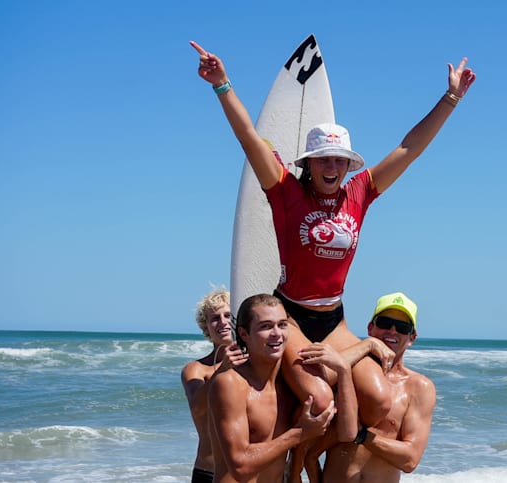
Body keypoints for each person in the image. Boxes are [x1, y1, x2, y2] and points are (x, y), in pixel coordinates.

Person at [190, 40, 475, 427]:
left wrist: (451, 98)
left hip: (334, 320)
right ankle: (301, 464)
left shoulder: (360, 192)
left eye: (340, 160)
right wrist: (222, 85)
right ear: (309, 164)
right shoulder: (285, 190)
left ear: (347, 165)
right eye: (324, 159)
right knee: (320, 398)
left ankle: (324, 461)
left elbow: (409, 149)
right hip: (290, 316)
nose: (333, 166)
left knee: (378, 399)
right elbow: (249, 140)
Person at [207, 293, 359, 482]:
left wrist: (344, 369)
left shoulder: (289, 387)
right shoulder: (230, 384)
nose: (277, 333)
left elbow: (348, 433)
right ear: (244, 334)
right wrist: (300, 433)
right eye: (266, 326)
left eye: (282, 324)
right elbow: (240, 466)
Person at [304, 292, 436, 483]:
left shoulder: (418, 387)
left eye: (402, 327)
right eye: (384, 322)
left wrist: (361, 435)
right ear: (370, 328)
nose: (392, 331)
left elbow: (410, 459)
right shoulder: (345, 372)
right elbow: (308, 382)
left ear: (412, 337)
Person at [180, 288, 248, 483]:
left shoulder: (253, 365)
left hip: (247, 470)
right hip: (208, 471)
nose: (223, 322)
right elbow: (198, 408)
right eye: (215, 318)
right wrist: (222, 369)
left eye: (228, 315)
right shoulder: (196, 369)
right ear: (206, 327)